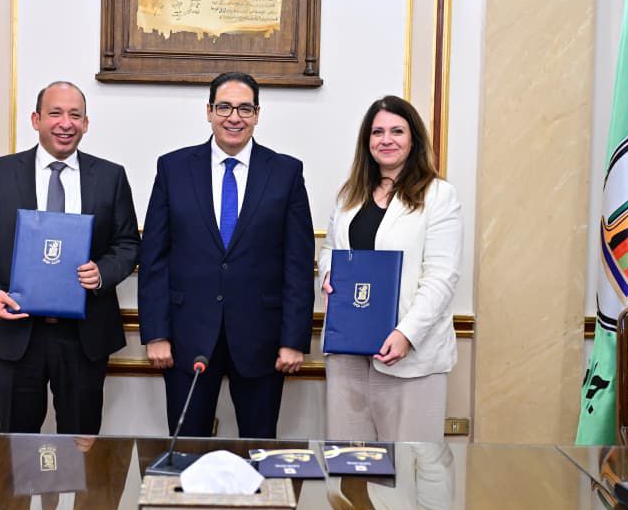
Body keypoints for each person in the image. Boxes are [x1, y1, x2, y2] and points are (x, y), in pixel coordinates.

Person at [0, 81, 140, 434]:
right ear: (36, 119)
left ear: (86, 123)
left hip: (84, 336)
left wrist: (102, 272)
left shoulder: (110, 177)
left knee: (81, 445)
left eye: (75, 115)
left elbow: (128, 243)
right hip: (15, 332)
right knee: (16, 445)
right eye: (55, 113)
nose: (65, 123)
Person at [138, 71, 315, 438]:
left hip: (263, 340)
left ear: (257, 114)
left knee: (259, 447)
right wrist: (156, 334)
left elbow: (298, 263)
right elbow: (154, 258)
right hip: (186, 338)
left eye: (245, 108)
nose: (234, 117)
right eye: (224, 107)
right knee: (186, 450)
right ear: (209, 111)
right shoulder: (173, 168)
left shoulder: (286, 172)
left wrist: (294, 340)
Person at [318, 95, 462, 443]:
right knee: (349, 464)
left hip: (410, 356)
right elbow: (330, 250)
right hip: (349, 352)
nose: (387, 140)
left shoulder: (438, 196)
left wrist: (406, 334)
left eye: (397, 131)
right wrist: (328, 274)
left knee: (410, 468)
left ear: (413, 139)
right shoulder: (349, 195)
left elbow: (441, 276)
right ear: (367, 141)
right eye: (377, 132)